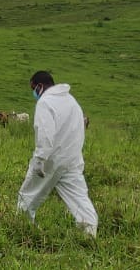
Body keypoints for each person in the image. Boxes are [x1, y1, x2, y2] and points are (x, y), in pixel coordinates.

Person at [17, 70, 97, 237]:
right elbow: (79, 130)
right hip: (72, 159)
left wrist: (40, 159)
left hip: (50, 160)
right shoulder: (72, 101)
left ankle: (23, 230)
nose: (33, 93)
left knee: (28, 196)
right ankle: (89, 233)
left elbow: (45, 133)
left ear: (39, 86)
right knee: (79, 198)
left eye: (33, 88)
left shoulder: (45, 102)